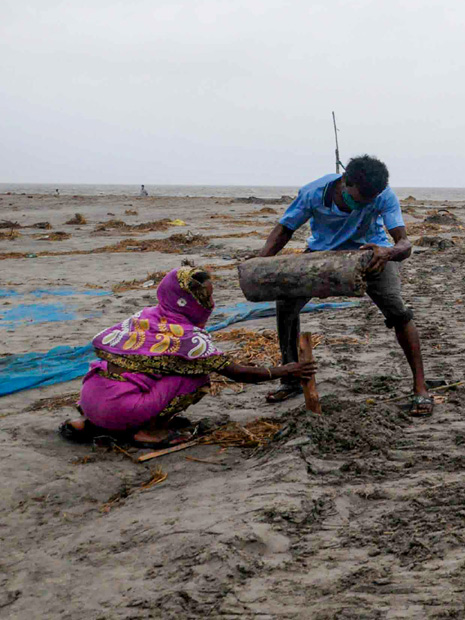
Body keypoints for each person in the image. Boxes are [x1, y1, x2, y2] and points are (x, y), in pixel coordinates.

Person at [60, 267, 313, 447]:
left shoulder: (147, 314)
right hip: (119, 408)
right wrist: (286, 370)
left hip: (90, 398)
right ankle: (147, 430)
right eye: (206, 297)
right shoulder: (188, 337)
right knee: (197, 378)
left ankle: (91, 423)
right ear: (186, 301)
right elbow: (235, 372)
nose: (211, 303)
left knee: (127, 375)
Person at [255, 154, 429, 414]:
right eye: (362, 198)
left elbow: (404, 244)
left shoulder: (383, 194)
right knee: (286, 304)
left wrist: (387, 253)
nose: (367, 203)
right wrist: (261, 264)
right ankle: (290, 377)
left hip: (372, 256)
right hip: (321, 256)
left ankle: (420, 388)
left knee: (399, 313)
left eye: (372, 199)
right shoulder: (314, 193)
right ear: (345, 182)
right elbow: (285, 229)